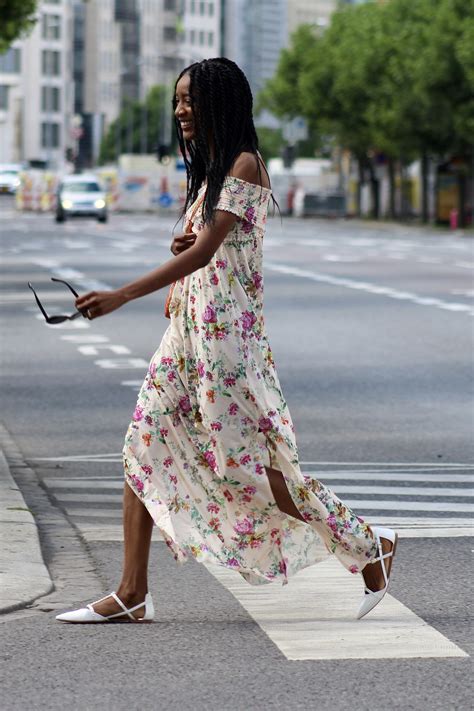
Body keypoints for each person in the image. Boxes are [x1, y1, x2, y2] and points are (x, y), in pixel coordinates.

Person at [56, 58, 396, 625]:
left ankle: (368, 544)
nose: (180, 109)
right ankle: (131, 592)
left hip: (225, 345)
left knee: (250, 469)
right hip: (186, 335)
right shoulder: (212, 171)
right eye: (176, 101)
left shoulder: (244, 165)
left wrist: (121, 294)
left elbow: (207, 252)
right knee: (142, 443)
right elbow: (204, 251)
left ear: (220, 100)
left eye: (189, 98)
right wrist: (181, 266)